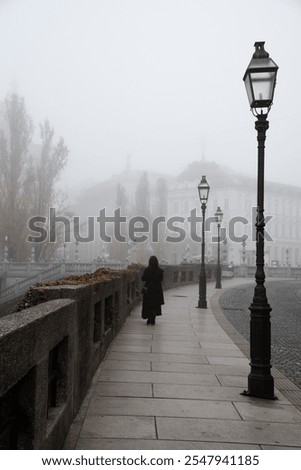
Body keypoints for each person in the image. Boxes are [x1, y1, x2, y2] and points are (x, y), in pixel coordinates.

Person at [141, 255, 164, 325]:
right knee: (155, 304)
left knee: (148, 304)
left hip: (148, 289)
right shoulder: (160, 271)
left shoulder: (147, 269)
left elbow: (143, 278)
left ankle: (149, 318)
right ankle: (153, 318)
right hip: (157, 290)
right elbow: (161, 279)